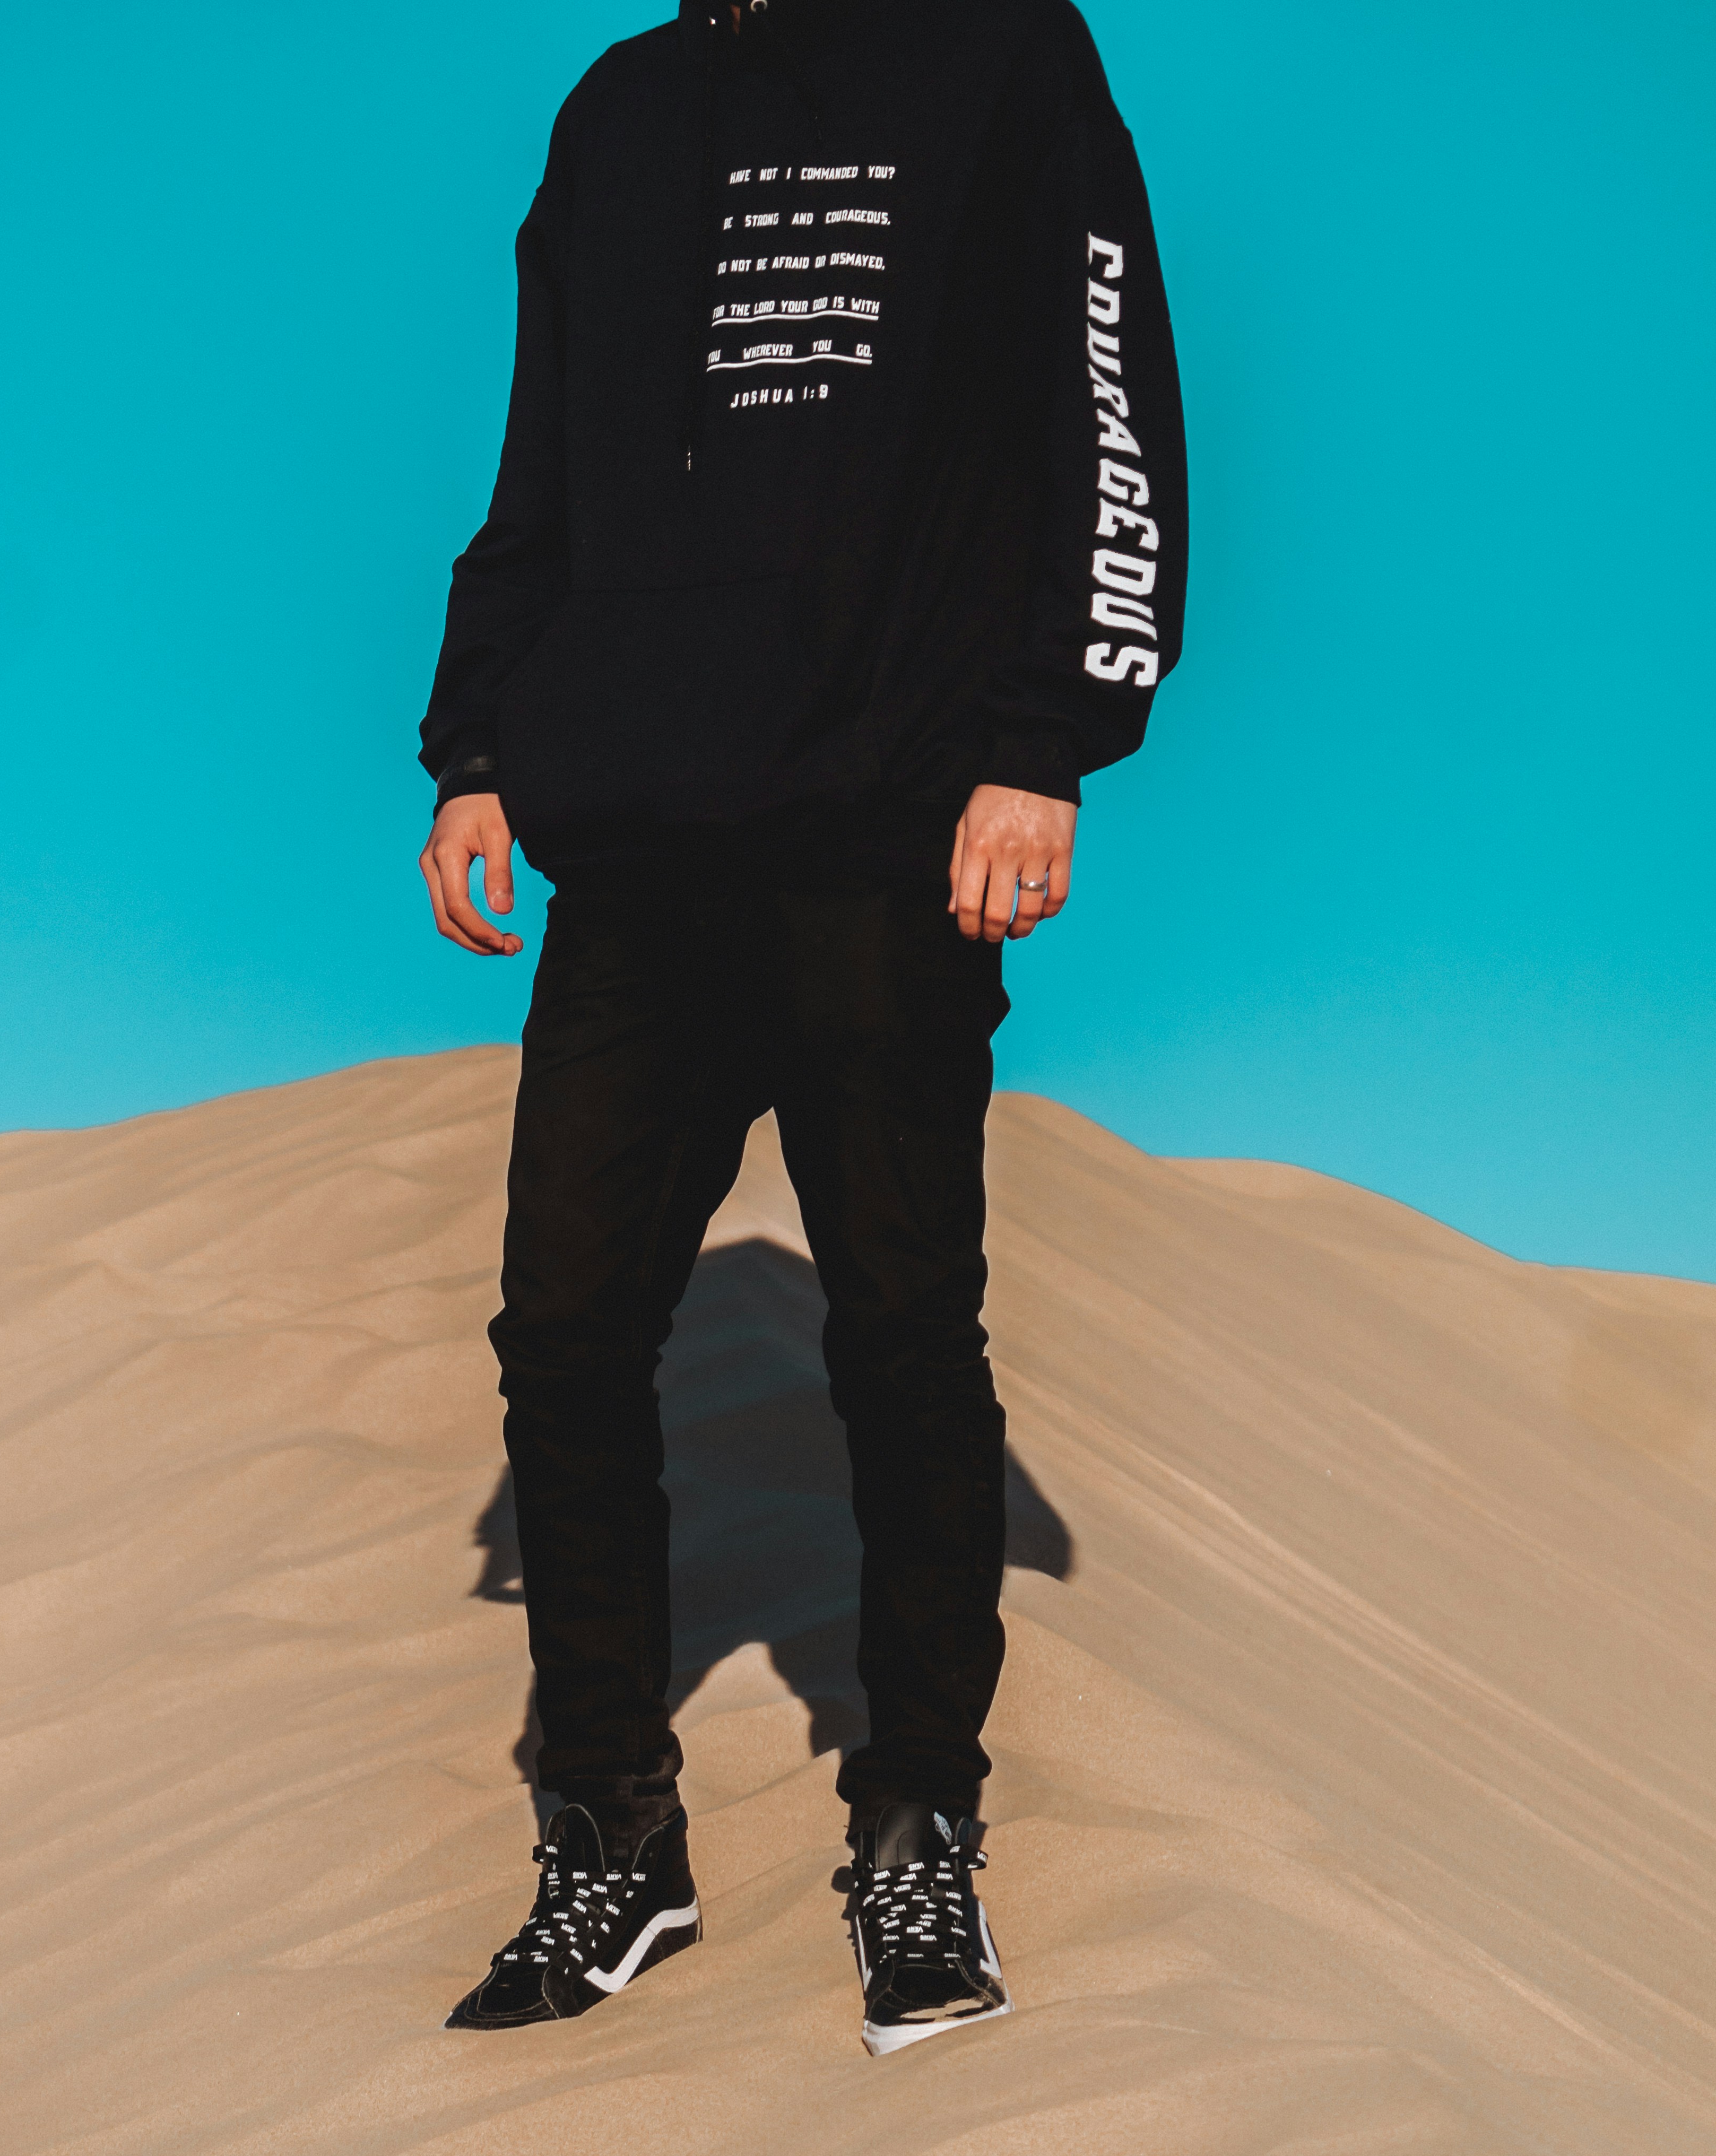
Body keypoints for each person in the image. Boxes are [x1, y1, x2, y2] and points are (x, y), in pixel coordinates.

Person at [419, 0, 1185, 2053]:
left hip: (890, 823)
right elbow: (546, 446)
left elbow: (1104, 394)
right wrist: (480, 737)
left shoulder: (1000, 56)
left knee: (900, 1334)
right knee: (565, 1329)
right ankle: (611, 1834)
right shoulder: (621, 105)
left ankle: (919, 1822)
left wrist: (1050, 737)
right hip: (636, 847)